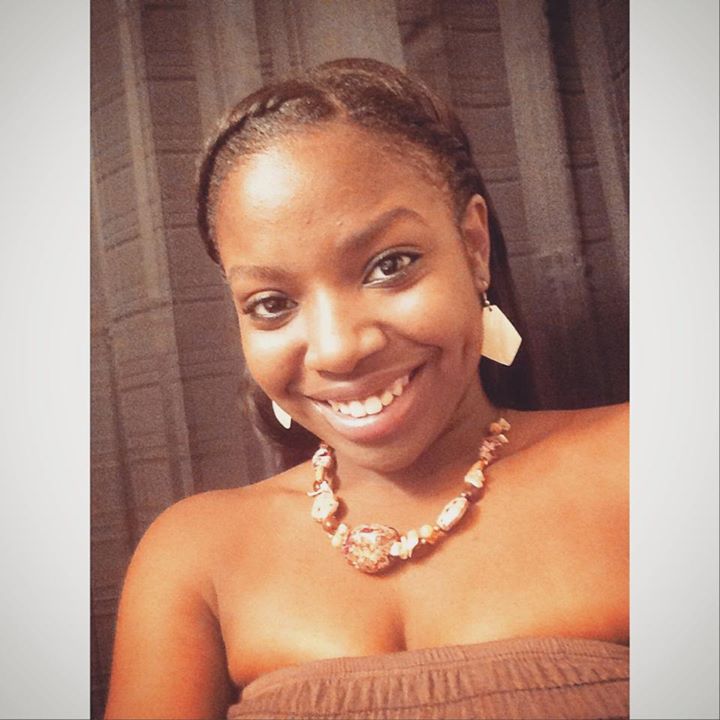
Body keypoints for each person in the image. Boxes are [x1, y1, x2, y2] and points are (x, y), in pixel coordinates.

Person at [104, 58, 628, 720]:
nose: (338, 349)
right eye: (271, 304)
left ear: (473, 247)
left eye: (389, 266)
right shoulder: (194, 556)